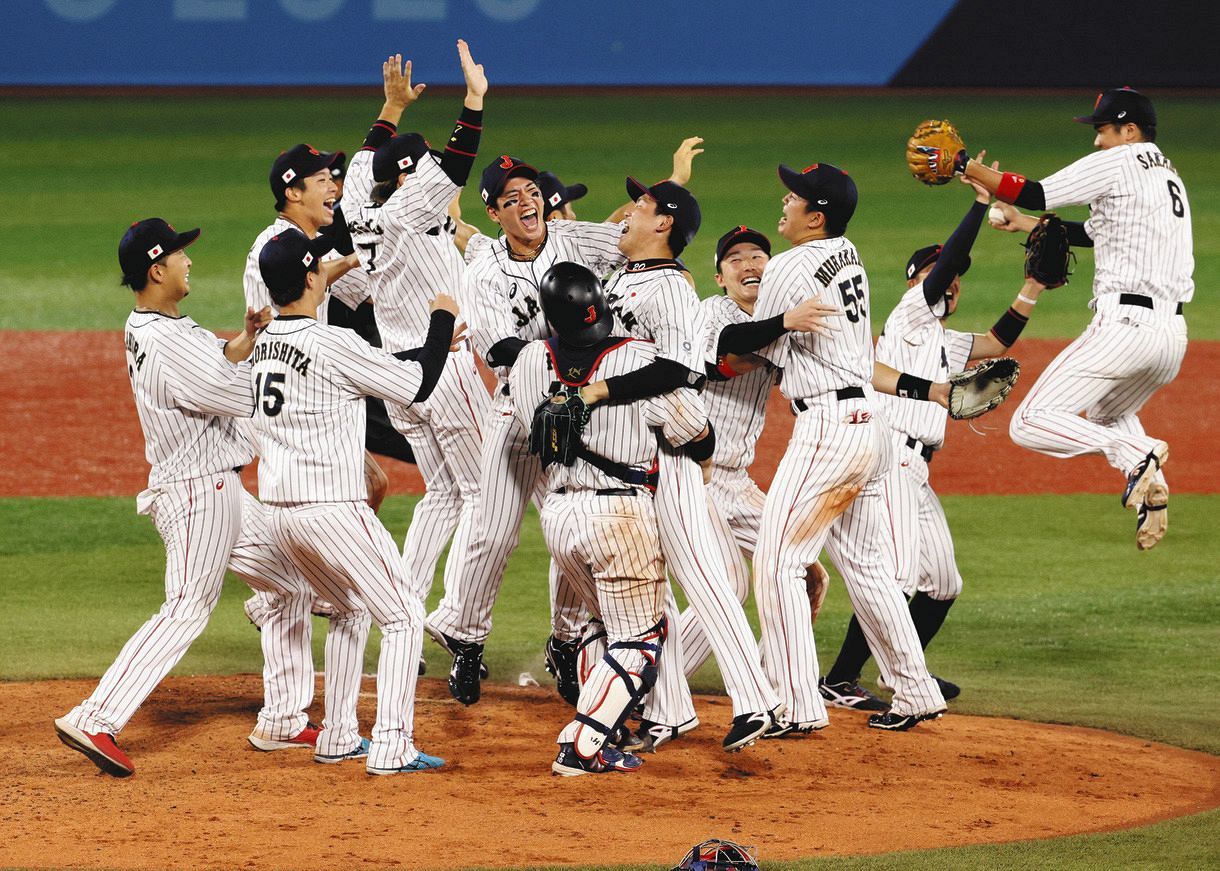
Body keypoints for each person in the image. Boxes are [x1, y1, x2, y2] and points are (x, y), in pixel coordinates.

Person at [54, 219, 323, 777]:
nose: (189, 262)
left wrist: (246, 341)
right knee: (186, 608)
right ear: (157, 269)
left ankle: (283, 718)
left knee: (292, 584)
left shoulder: (159, 323)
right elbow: (234, 392)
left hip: (218, 489)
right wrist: (278, 349)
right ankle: (96, 715)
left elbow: (218, 360)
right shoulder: (161, 338)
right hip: (199, 492)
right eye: (180, 254)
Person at [820, 170, 1049, 710]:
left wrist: (1032, 287)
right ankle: (852, 680)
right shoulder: (906, 318)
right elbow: (944, 265)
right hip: (888, 457)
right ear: (914, 283)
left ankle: (905, 670)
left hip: (918, 471)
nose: (950, 282)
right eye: (936, 275)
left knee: (943, 581)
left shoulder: (943, 342)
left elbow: (996, 340)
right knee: (897, 576)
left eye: (955, 278)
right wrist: (977, 206)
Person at [575, 177, 787, 753]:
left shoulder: (670, 290)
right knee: (655, 583)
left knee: (704, 577)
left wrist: (598, 394)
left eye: (640, 208)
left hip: (669, 454)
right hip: (631, 453)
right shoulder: (627, 275)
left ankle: (755, 701)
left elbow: (676, 372)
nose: (626, 217)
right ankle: (669, 710)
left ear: (664, 224)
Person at [249, 228, 459, 775]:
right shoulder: (330, 343)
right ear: (313, 276)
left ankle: (340, 735)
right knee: (405, 613)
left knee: (349, 607)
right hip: (332, 510)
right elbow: (416, 385)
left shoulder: (266, 342)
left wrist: (432, 347)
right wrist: (440, 318)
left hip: (278, 514)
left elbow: (366, 368)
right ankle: (392, 744)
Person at [751, 162, 947, 733]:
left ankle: (796, 705)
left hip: (830, 431)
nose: (783, 202)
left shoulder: (788, 266)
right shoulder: (848, 251)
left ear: (817, 216)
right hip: (872, 427)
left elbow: (753, 345)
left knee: (779, 561)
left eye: (795, 197)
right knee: (867, 568)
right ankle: (915, 689)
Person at [963, 87, 1191, 550]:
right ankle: (1151, 487)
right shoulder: (1166, 173)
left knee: (1029, 421)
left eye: (1103, 130)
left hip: (1126, 327)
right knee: (1109, 412)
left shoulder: (1121, 160)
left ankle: (1138, 455)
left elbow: (1036, 191)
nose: (1097, 141)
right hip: (1172, 337)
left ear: (1129, 131)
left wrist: (963, 164)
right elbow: (1094, 231)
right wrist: (1023, 223)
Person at [508, 261, 711, 775]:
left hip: (559, 514)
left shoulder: (530, 360)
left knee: (601, 622)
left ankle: (608, 727)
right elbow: (693, 429)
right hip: (620, 514)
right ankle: (582, 745)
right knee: (641, 637)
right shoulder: (637, 358)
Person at [343, 42, 492, 615]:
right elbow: (456, 163)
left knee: (445, 494)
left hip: (400, 376)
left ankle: (399, 606)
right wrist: (473, 102)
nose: (435, 174)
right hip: (445, 366)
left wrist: (392, 108)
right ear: (409, 181)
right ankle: (457, 618)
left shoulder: (363, 204)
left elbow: (366, 155)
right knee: (482, 492)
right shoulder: (411, 210)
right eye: (422, 167)